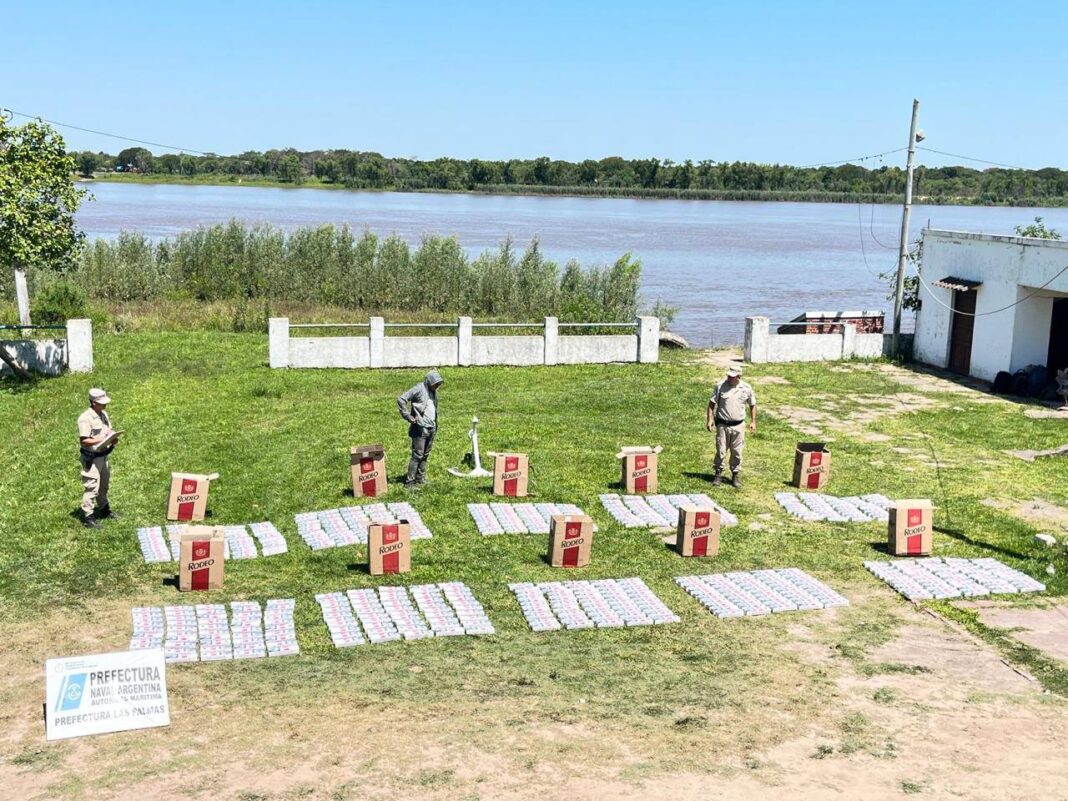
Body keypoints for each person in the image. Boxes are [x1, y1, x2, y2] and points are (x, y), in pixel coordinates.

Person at [706, 366, 757, 489]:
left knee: (737, 451)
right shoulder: (720, 386)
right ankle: (718, 474)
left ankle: (735, 475)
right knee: (721, 450)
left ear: (739, 377)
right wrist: (710, 420)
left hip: (738, 426)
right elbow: (711, 404)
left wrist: (753, 421)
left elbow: (753, 405)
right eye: (728, 376)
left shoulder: (746, 388)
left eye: (732, 377)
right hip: (722, 425)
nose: (729, 378)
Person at [78, 388, 121, 528]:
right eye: (102, 403)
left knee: (104, 485)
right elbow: (84, 441)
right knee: (92, 487)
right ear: (94, 402)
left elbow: (108, 430)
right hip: (92, 458)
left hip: (103, 456)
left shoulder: (103, 414)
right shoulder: (85, 418)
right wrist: (101, 439)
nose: (105, 405)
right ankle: (88, 517)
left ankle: (104, 510)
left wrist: (112, 438)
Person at [397, 369, 443, 488]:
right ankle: (409, 482)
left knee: (425, 455)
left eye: (438, 384)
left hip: (431, 427)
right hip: (420, 428)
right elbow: (401, 399)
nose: (437, 386)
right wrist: (407, 416)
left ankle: (420, 478)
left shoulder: (433, 391)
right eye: (435, 384)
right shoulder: (419, 388)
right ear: (429, 381)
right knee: (417, 455)